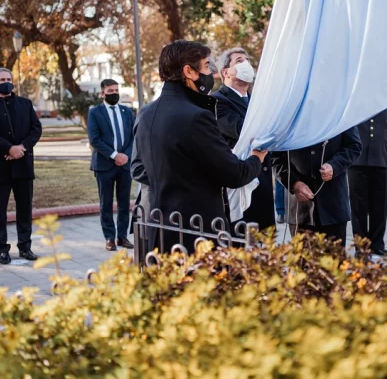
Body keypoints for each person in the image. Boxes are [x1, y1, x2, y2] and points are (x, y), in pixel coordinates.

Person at [133, 40, 267, 252]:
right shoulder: (197, 117)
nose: (209, 73)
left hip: (158, 229)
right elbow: (235, 174)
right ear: (189, 71)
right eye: (205, 66)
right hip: (196, 233)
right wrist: (257, 155)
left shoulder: (146, 113)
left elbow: (139, 168)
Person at [0, 68, 42, 264]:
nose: (7, 82)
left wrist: (21, 147)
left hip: (23, 165)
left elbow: (36, 129)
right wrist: (8, 149)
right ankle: (2, 249)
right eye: (2, 79)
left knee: (25, 209)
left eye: (9, 79)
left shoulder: (25, 103)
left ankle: (25, 246)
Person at [211, 47, 276, 231]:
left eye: (247, 60)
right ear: (225, 72)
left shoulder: (258, 102)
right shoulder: (217, 101)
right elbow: (243, 131)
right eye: (239, 61)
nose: (246, 64)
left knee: (263, 246)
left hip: (261, 183)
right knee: (240, 245)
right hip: (238, 183)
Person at [273, 128, 362, 246]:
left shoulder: (340, 110)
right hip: (300, 209)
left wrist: (334, 166)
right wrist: (294, 183)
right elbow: (275, 157)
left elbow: (354, 146)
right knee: (302, 262)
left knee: (334, 262)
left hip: (333, 206)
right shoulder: (289, 113)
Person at [87, 79, 135, 251]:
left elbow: (133, 136)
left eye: (116, 90)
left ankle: (122, 237)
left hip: (124, 165)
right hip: (104, 165)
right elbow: (94, 139)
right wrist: (115, 155)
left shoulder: (127, 111)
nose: (114, 93)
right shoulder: (95, 112)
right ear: (102, 93)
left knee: (124, 203)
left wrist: (125, 156)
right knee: (106, 203)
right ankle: (110, 238)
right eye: (110, 90)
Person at [348, 106, 387, 255]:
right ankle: (361, 247)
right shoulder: (355, 100)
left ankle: (377, 244)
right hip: (357, 160)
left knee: (380, 207)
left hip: (380, 159)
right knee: (358, 208)